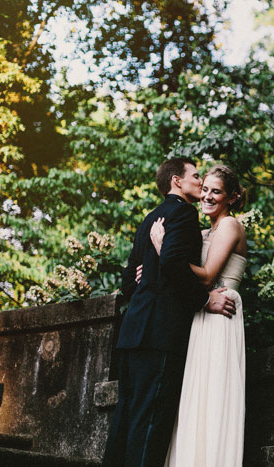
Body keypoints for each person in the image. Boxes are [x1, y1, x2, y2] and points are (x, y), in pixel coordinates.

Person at [102, 158, 236, 467]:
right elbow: (174, 264)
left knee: (124, 419)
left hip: (133, 332)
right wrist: (205, 301)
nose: (200, 184)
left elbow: (128, 280)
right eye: (195, 176)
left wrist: (146, 280)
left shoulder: (151, 218)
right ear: (177, 181)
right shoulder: (184, 215)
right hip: (161, 334)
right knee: (151, 424)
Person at [146, 164, 248, 467]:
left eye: (215, 191)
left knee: (213, 391)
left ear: (231, 197)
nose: (206, 196)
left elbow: (204, 278)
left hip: (220, 311)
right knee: (195, 394)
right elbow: (179, 274)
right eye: (204, 189)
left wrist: (164, 248)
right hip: (202, 311)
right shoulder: (205, 231)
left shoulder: (230, 225)